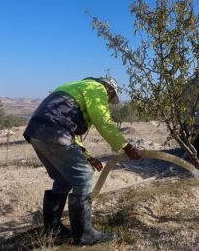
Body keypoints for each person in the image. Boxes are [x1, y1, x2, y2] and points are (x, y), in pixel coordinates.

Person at [23, 77, 141, 245]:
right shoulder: (97, 88)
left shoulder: (75, 87)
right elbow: (103, 121)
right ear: (109, 90)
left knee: (63, 179)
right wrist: (126, 146)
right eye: (109, 98)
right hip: (54, 132)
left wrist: (87, 156)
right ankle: (85, 235)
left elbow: (72, 133)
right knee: (84, 176)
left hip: (36, 132)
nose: (107, 101)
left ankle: (53, 229)